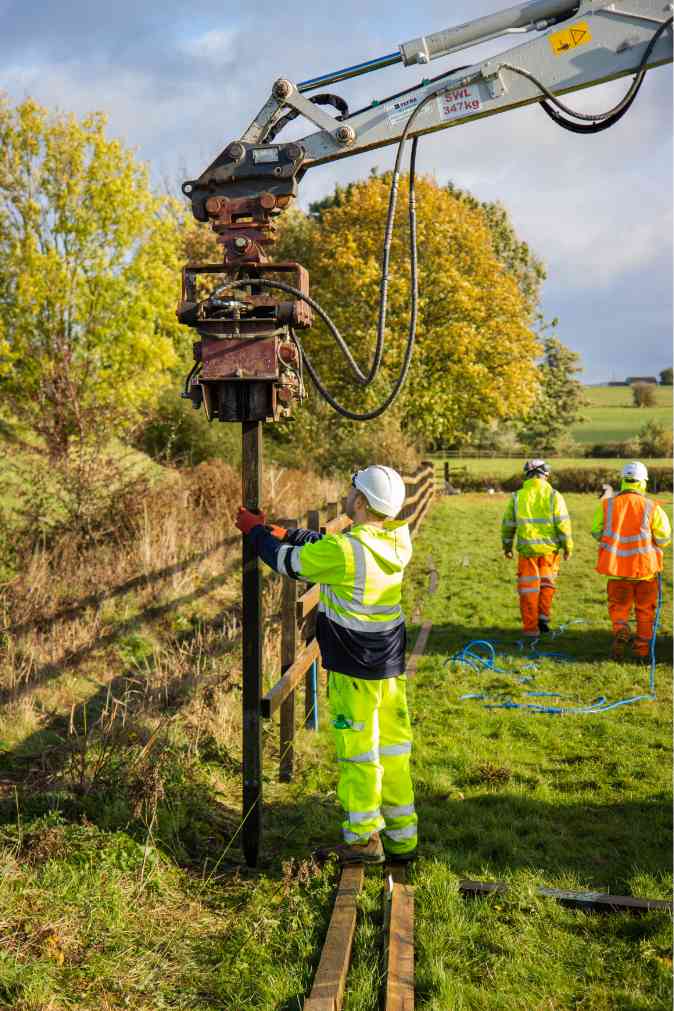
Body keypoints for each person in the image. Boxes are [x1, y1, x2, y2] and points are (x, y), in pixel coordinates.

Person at [235, 465, 417, 865]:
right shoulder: (395, 542)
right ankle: (403, 840)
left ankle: (362, 840)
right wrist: (293, 533)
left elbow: (289, 562)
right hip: (388, 665)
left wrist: (257, 532)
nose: (347, 495)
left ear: (364, 502)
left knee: (358, 753)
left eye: (353, 491)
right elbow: (331, 546)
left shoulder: (346, 552)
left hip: (354, 667)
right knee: (392, 749)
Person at [591, 461, 671, 660]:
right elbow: (663, 539)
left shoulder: (607, 505)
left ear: (623, 481)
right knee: (645, 611)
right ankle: (642, 651)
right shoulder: (652, 507)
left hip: (617, 570)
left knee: (619, 606)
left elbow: (596, 532)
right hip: (645, 572)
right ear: (643, 482)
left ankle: (620, 628)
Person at [501, 459, 573, 637]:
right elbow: (563, 524)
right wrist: (568, 546)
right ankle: (543, 619)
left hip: (527, 553)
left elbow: (508, 524)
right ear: (545, 474)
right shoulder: (554, 496)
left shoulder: (517, 496)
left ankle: (531, 630)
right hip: (550, 552)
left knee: (529, 591)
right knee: (547, 586)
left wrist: (507, 546)